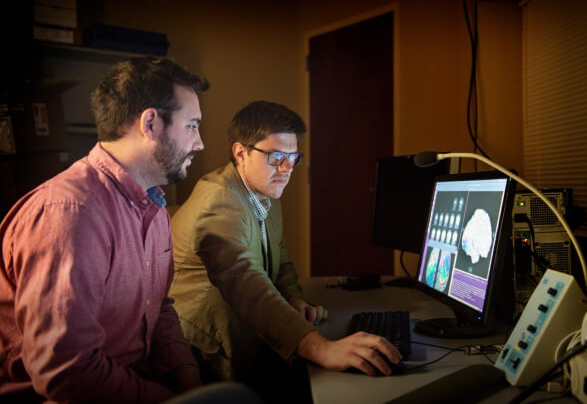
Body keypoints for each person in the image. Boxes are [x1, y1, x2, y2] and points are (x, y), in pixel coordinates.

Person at [0, 56, 252, 403]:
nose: (200, 143)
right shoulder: (70, 214)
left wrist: (189, 381)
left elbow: (159, 309)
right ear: (150, 124)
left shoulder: (155, 206)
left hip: (138, 381)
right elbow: (67, 372)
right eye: (192, 126)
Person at [168, 101, 402, 398]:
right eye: (276, 156)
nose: (287, 169)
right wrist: (322, 349)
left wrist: (293, 297)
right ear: (240, 153)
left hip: (249, 336)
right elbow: (248, 286)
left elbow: (279, 252)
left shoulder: (263, 188)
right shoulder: (220, 203)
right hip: (204, 357)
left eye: (293, 157)